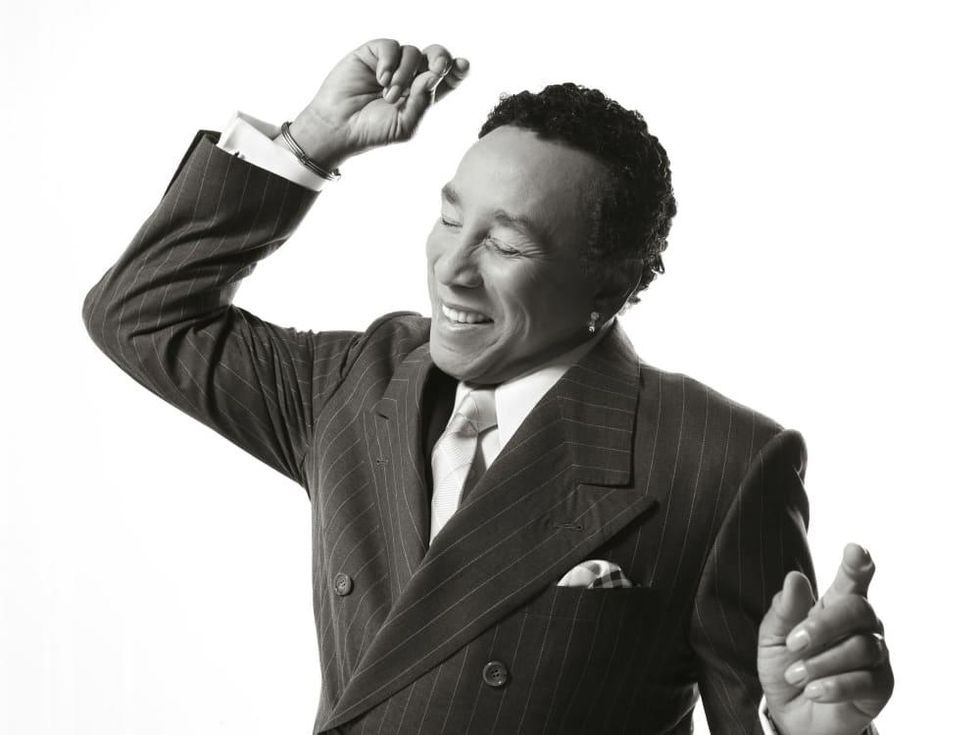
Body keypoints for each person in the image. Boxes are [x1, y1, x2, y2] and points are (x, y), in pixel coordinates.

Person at [82, 39, 893, 734]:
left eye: (504, 245)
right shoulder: (354, 384)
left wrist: (816, 731)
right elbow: (139, 314)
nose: (451, 268)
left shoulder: (719, 460)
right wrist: (310, 141)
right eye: (449, 218)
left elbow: (779, 698)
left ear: (608, 288)